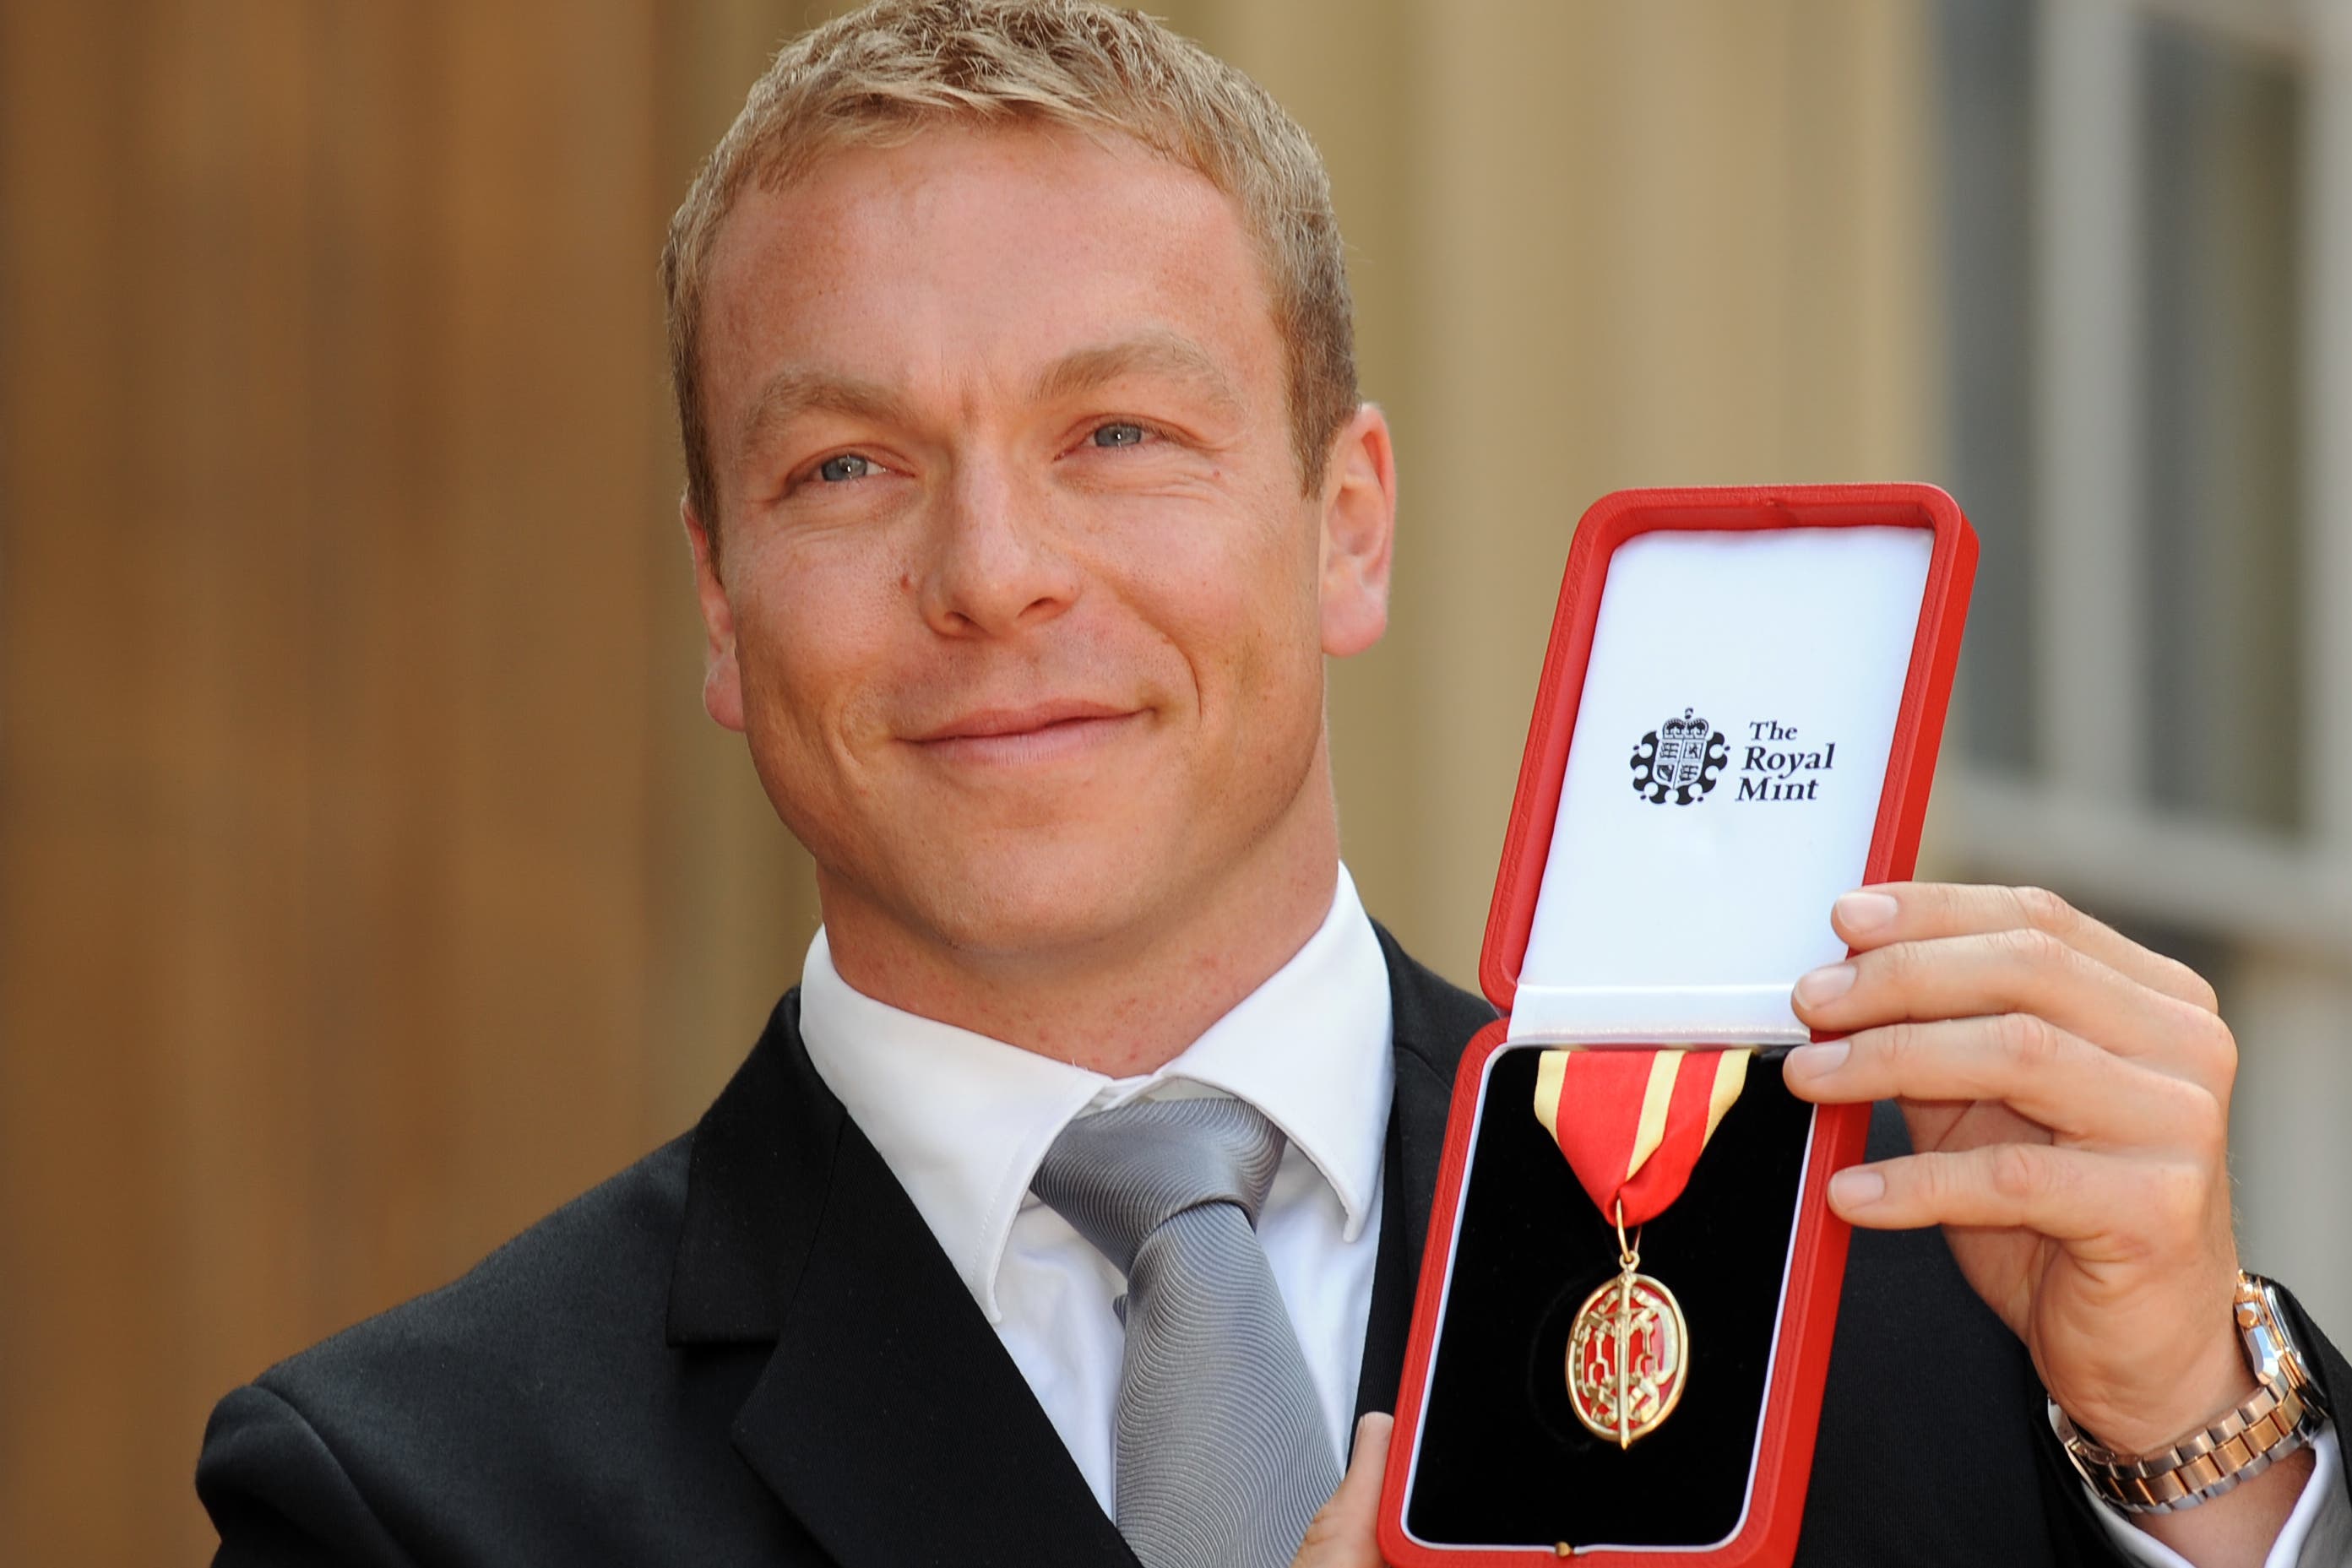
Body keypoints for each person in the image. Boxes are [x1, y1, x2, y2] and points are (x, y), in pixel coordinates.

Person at [195, 3, 2348, 1564]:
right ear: (722, 600)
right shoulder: (403, 1494)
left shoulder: (1898, 1267)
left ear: (1349, 522)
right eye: (847, 467)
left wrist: (2197, 1441)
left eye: (1119, 433)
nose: (995, 575)